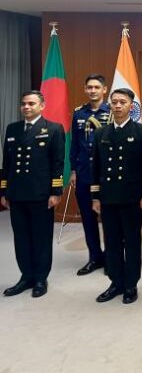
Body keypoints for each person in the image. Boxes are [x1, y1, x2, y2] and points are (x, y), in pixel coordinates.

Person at [91, 88, 142, 304]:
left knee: (132, 241)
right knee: (112, 241)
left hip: (132, 197)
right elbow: (95, 167)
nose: (118, 105)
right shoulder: (100, 133)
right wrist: (95, 196)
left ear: (131, 106)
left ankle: (130, 284)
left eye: (122, 102)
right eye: (114, 102)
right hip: (108, 197)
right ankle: (115, 282)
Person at [1, 90, 65, 298]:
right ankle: (26, 276)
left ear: (42, 106)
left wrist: (56, 191)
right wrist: (4, 190)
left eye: (31, 103)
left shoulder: (53, 129)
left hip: (40, 194)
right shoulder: (12, 129)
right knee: (21, 237)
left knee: (41, 237)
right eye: (24, 104)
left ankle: (40, 278)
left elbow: (58, 163)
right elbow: (7, 163)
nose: (26, 107)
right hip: (16, 193)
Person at [70, 74, 110, 276]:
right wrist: (73, 170)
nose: (92, 90)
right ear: (85, 90)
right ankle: (95, 257)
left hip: (106, 174)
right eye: (89, 87)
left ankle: (111, 257)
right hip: (85, 173)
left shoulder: (113, 111)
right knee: (88, 218)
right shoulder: (79, 113)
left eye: (96, 87)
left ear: (104, 89)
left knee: (110, 219)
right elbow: (75, 145)